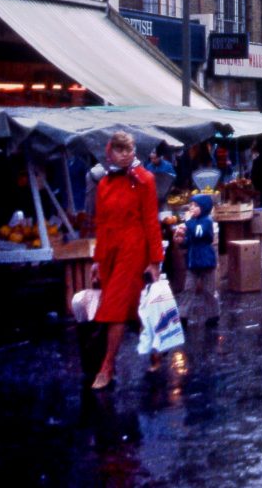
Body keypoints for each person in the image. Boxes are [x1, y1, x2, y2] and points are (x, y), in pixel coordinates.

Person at [89, 131, 163, 391]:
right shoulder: (103, 184)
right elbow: (101, 224)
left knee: (116, 309)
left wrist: (155, 260)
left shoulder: (145, 180)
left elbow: (151, 221)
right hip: (111, 253)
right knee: (134, 309)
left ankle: (107, 366)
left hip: (133, 252)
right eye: (120, 149)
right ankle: (155, 349)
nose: (125, 154)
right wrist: (98, 261)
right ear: (110, 152)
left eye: (129, 149)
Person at [173, 193, 219, 327]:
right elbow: (189, 240)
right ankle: (183, 315)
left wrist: (187, 224)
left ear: (203, 208)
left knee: (208, 290)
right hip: (192, 262)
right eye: (191, 205)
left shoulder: (206, 221)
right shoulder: (192, 222)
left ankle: (213, 315)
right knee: (188, 289)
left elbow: (199, 233)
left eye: (195, 206)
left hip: (206, 261)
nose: (192, 208)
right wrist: (181, 241)